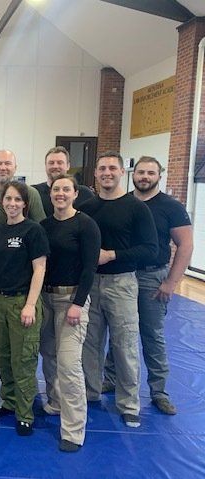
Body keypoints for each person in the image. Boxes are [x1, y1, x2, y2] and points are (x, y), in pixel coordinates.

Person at [102, 156, 193, 415]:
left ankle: (158, 391)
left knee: (151, 334)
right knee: (120, 330)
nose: (144, 177)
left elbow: (185, 245)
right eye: (140, 172)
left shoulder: (170, 207)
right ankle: (109, 378)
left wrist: (171, 282)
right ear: (131, 174)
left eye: (150, 173)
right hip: (122, 273)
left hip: (151, 277)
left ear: (159, 176)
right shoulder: (124, 202)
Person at [78, 151, 158, 429]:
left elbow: (150, 249)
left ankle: (128, 403)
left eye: (112, 168)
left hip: (122, 283)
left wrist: (112, 255)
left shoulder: (136, 207)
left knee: (124, 346)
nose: (107, 173)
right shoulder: (87, 207)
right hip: (90, 284)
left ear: (122, 172)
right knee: (90, 344)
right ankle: (90, 392)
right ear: (96, 174)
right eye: (102, 168)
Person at [0, 180, 48, 436]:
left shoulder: (33, 231)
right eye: (8, 199)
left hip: (22, 301)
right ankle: (8, 401)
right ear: (2, 202)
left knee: (23, 359)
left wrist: (30, 304)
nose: (12, 204)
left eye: (17, 200)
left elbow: (39, 269)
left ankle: (24, 412)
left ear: (25, 204)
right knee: (3, 355)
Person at [0, 150, 46, 392]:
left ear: (15, 167)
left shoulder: (31, 194)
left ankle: (22, 389)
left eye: (8, 163)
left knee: (20, 341)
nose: (3, 167)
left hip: (21, 273)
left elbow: (39, 226)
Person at [40, 175, 100, 452]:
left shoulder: (86, 225)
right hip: (45, 298)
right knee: (49, 354)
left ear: (76, 193)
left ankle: (74, 430)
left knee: (69, 363)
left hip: (71, 299)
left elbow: (90, 268)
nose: (60, 193)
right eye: (56, 189)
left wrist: (78, 302)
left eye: (66, 189)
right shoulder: (44, 226)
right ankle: (54, 401)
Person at [32, 146, 94, 216]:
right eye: (51, 163)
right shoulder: (33, 193)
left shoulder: (85, 194)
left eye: (60, 162)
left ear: (68, 166)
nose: (55, 166)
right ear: (45, 166)